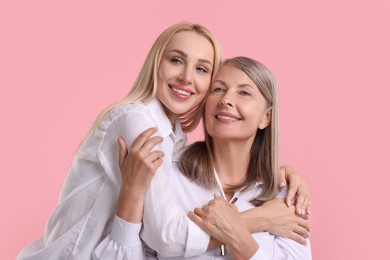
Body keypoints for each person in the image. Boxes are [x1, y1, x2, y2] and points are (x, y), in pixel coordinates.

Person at [17, 21, 309, 260]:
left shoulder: (175, 141)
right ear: (156, 64)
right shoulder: (139, 123)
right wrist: (260, 220)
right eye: (176, 60)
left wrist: (279, 173)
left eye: (201, 69)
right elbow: (166, 239)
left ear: (266, 117)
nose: (186, 77)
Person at [95, 57, 311, 259]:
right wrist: (260, 219)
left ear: (266, 117)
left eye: (244, 93)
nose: (226, 100)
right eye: (218, 89)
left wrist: (237, 234)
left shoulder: (285, 197)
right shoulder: (164, 171)